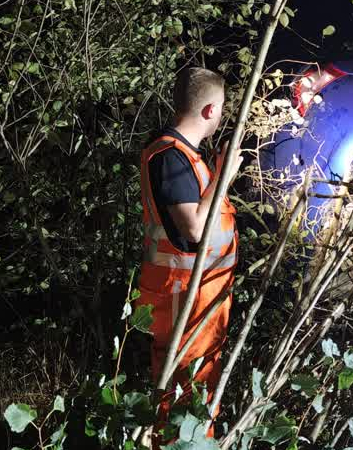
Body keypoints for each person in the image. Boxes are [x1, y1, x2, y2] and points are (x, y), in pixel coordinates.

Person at [137, 67, 242, 440]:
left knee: (196, 392)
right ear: (211, 110)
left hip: (200, 297)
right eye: (223, 108)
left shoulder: (187, 157)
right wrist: (223, 176)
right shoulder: (170, 157)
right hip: (183, 299)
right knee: (185, 398)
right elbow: (194, 228)